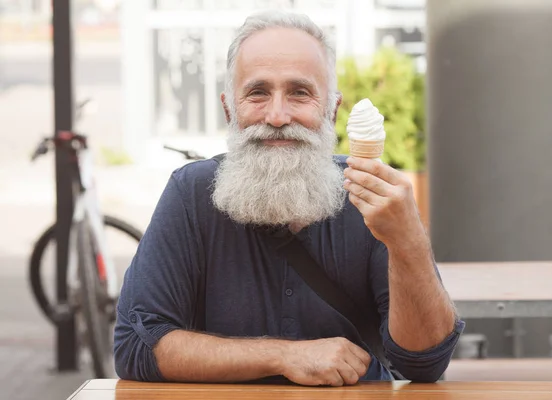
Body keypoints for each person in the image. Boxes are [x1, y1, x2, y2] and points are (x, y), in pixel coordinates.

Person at [114, 10, 464, 387]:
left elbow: (424, 364)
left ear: (331, 109)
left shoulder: (369, 196)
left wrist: (407, 240)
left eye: (299, 93)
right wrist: (284, 355)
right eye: (258, 92)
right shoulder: (191, 193)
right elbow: (135, 345)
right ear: (229, 108)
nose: (278, 116)